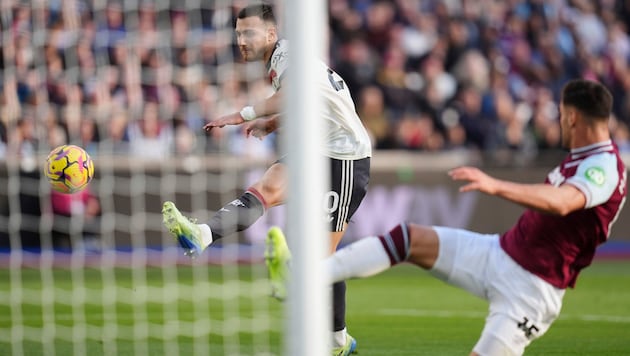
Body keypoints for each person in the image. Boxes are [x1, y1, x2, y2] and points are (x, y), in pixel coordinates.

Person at [267, 79, 627, 355]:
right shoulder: (585, 156)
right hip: (499, 254)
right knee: (408, 238)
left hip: (533, 289)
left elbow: (563, 202)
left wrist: (495, 185)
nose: (559, 122)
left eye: (560, 115)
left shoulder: (605, 166)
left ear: (572, 116)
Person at [161, 4, 371, 355]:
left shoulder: (288, 55)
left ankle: (336, 339)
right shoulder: (281, 60)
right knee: (264, 189)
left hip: (344, 159)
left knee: (323, 260)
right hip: (316, 149)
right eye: (239, 34)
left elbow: (295, 96)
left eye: (249, 33)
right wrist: (272, 124)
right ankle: (202, 234)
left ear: (271, 35)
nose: (241, 41)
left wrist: (241, 115)